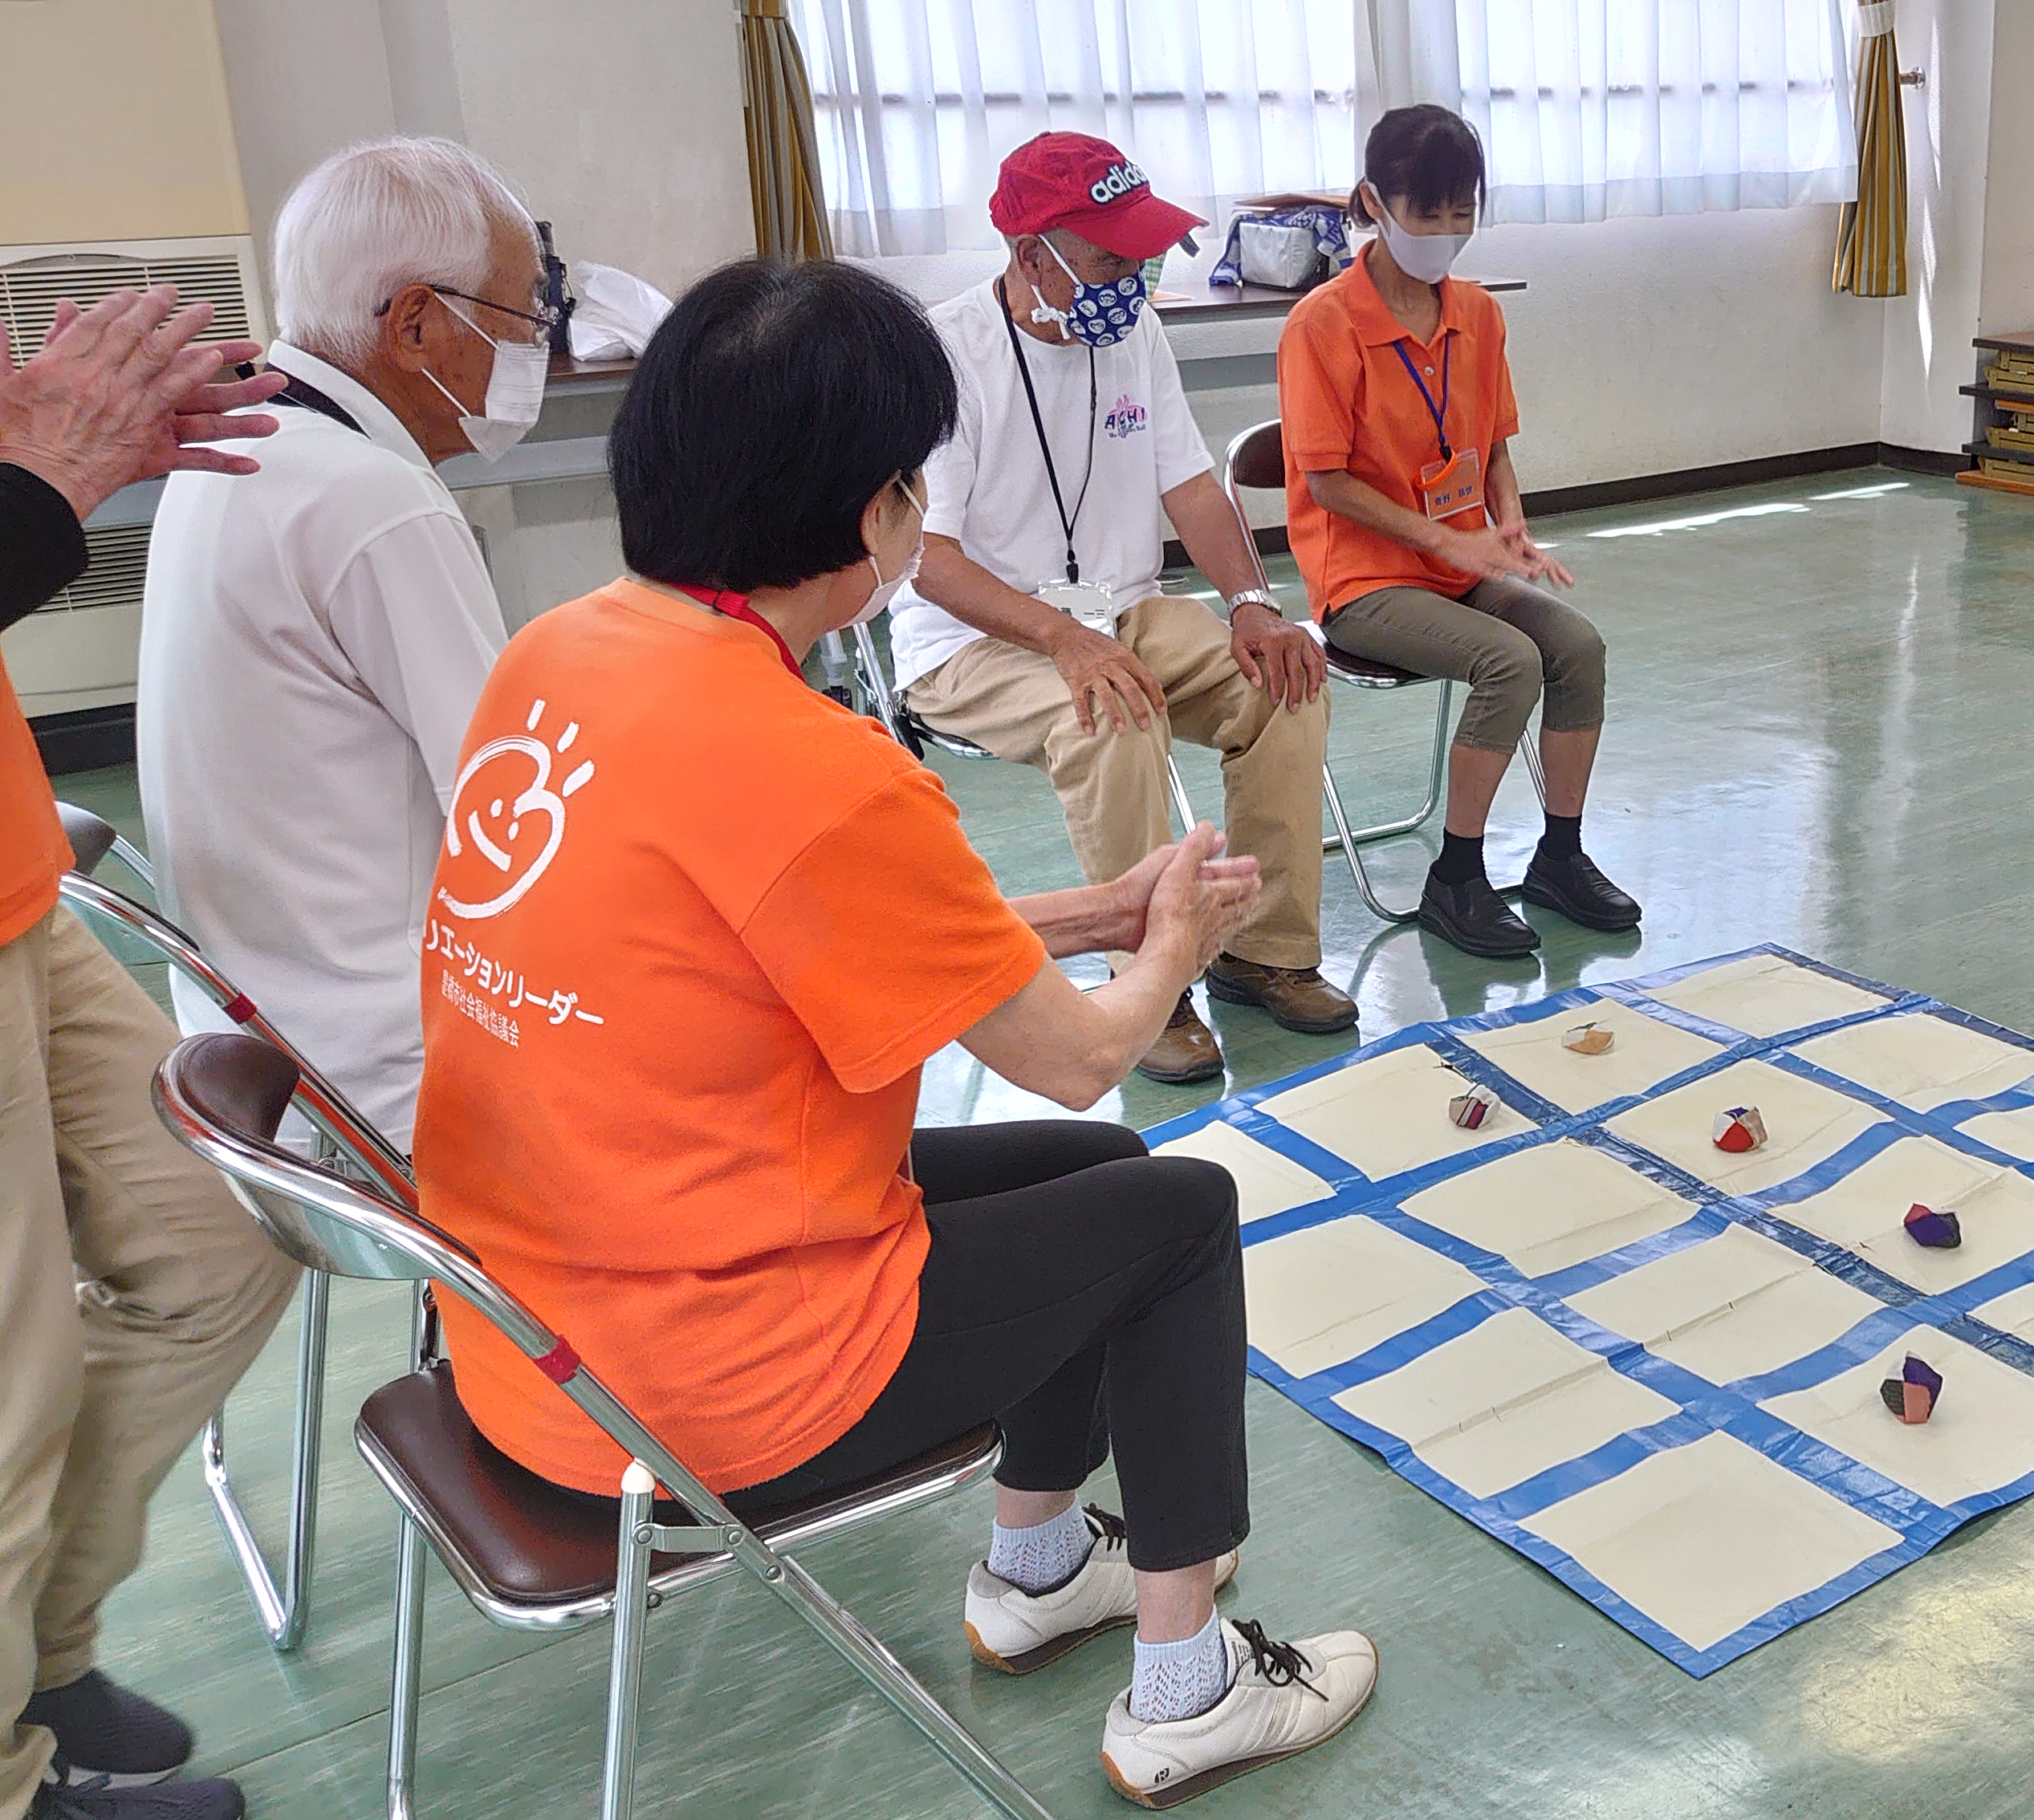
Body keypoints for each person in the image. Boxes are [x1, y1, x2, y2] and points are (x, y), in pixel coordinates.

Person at [413, 259, 1373, 1806]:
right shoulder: (813, 761)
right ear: (876, 517)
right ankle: (1188, 1687)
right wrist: (1176, 941)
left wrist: (1103, 905)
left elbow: (804, 930)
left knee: (1093, 1172)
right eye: (916, 482)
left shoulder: (560, 655)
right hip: (697, 1376)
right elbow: (1075, 1046)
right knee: (1179, 1209)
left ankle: (1040, 1562)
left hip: (534, 1323)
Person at [0, 285, 293, 1820]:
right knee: (6, 1387)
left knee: (217, 1241)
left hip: (17, 890)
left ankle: (37, 1662)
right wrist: (41, 490)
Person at [892, 132, 1351, 1087]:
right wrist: (1064, 643)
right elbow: (926, 562)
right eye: (1111, 258)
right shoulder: (944, 355)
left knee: (1286, 679)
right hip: (972, 642)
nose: (1133, 279)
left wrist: (1255, 605)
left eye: (1142, 258)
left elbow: (1187, 484)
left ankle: (1265, 950)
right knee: (1114, 711)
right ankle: (1154, 980)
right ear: (1032, 256)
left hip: (1120, 614)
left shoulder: (1130, 332)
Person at [138, 137, 535, 1145]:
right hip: (401, 1066)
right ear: (414, 322)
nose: (533, 346)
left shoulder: (234, 449)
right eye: (523, 315)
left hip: (260, 1040)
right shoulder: (374, 500)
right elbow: (513, 825)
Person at [1276, 104, 1639, 961]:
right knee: (1507, 659)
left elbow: (1493, 445)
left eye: (1461, 212)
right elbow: (1325, 482)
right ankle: (1458, 877)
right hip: (1365, 584)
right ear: (1373, 200)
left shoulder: (1476, 313)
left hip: (1459, 566)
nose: (1446, 231)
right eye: (1425, 212)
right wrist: (1449, 543)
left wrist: (1506, 522)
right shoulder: (1322, 326)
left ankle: (1559, 855)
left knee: (1577, 648)